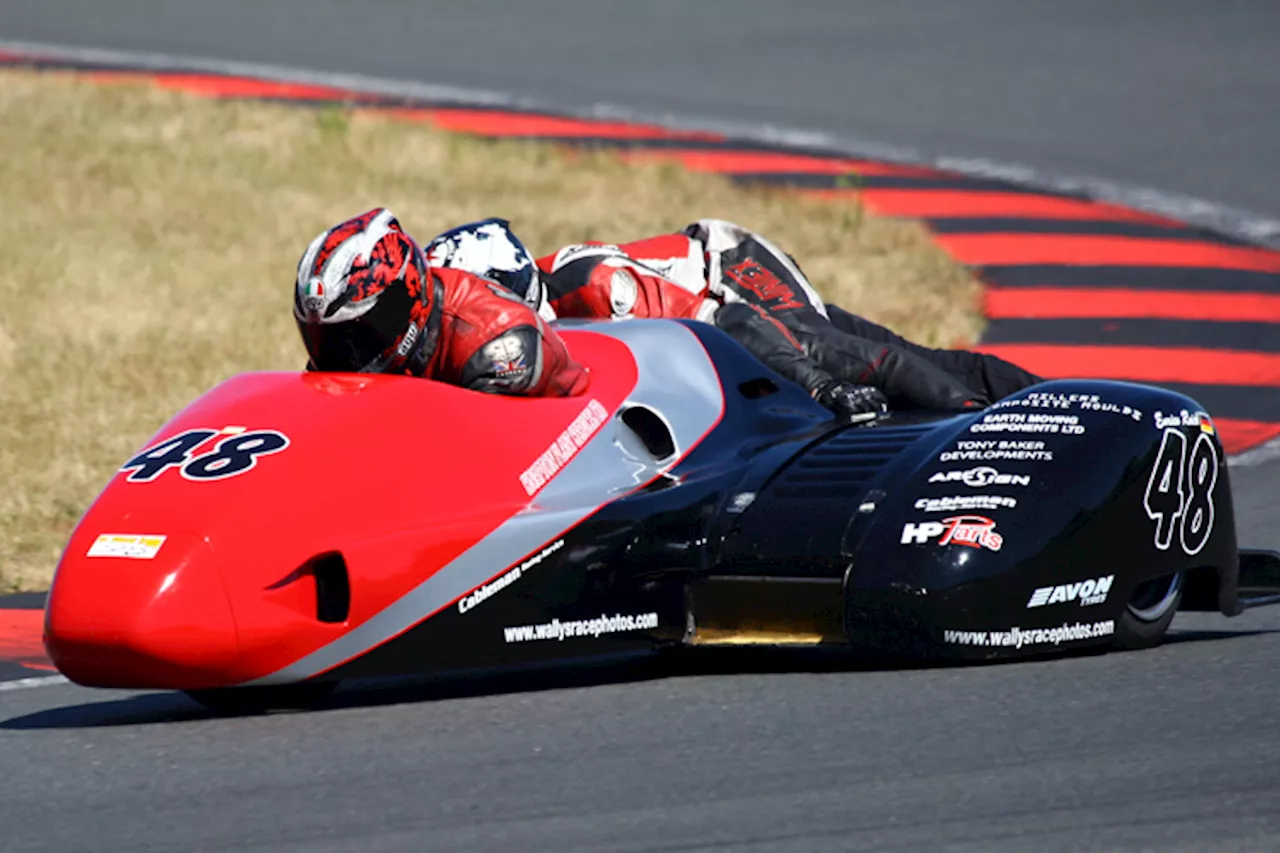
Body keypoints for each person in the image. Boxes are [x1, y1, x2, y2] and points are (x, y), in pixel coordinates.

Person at [426, 219, 890, 421]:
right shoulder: (525, 333)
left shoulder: (593, 292)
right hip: (714, 308)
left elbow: (729, 321)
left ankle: (963, 408)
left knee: (839, 353)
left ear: (509, 284)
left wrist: (818, 386)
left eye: (482, 296)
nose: (474, 313)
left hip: (730, 275)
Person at [294, 207, 586, 397]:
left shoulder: (499, 349)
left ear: (402, 303)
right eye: (325, 340)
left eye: (355, 337)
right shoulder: (353, 352)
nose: (343, 358)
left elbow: (491, 460)